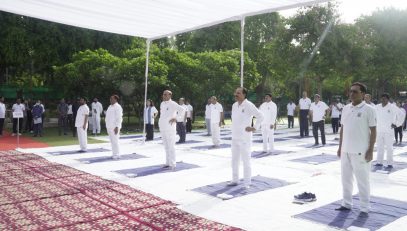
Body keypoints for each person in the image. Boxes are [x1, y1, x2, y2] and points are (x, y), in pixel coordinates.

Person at [337, 82, 376, 215]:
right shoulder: (346, 108)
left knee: (362, 181)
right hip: (346, 150)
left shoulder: (369, 109)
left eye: (355, 91)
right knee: (346, 179)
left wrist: (370, 150)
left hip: (361, 151)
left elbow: (373, 131)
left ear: (363, 94)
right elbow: (342, 129)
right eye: (351, 91)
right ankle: (346, 203)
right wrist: (340, 147)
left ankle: (365, 207)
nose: (351, 94)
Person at [228, 87, 264, 189]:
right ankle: (235, 180)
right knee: (234, 160)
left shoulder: (249, 105)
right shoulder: (234, 105)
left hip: (245, 138)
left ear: (244, 95)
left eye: (238, 93)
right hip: (235, 137)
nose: (236, 94)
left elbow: (261, 116)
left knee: (246, 160)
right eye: (236, 92)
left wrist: (254, 127)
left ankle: (247, 182)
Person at [159, 90, 186, 169]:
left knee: (171, 146)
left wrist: (176, 118)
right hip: (163, 127)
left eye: (165, 94)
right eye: (163, 94)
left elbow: (182, 110)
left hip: (170, 128)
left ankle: (173, 163)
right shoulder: (162, 104)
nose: (163, 96)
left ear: (169, 95)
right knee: (166, 146)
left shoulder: (173, 103)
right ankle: (167, 162)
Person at [374, 93, 397, 170]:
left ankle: (390, 163)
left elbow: (401, 114)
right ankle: (379, 162)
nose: (383, 100)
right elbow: (373, 116)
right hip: (379, 129)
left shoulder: (392, 107)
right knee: (380, 147)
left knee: (389, 147)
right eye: (382, 98)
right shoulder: (377, 107)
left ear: (388, 99)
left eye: (385, 98)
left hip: (389, 130)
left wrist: (396, 124)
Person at [105, 95, 123, 159]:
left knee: (115, 141)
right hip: (109, 126)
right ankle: (114, 153)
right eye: (110, 99)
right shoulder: (110, 106)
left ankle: (117, 154)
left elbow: (119, 118)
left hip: (114, 127)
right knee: (112, 141)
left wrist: (117, 127)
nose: (110, 100)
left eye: (112, 99)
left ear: (115, 99)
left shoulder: (118, 107)